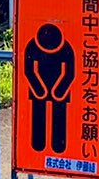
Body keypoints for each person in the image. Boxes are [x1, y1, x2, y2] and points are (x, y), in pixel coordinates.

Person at [23, 22, 75, 155]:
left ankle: (59, 147)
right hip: (38, 90)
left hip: (59, 91)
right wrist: (39, 89)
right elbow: (28, 70)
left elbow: (70, 72)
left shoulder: (66, 47)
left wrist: (59, 91)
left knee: (59, 118)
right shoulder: (32, 45)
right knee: (38, 117)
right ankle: (37, 147)